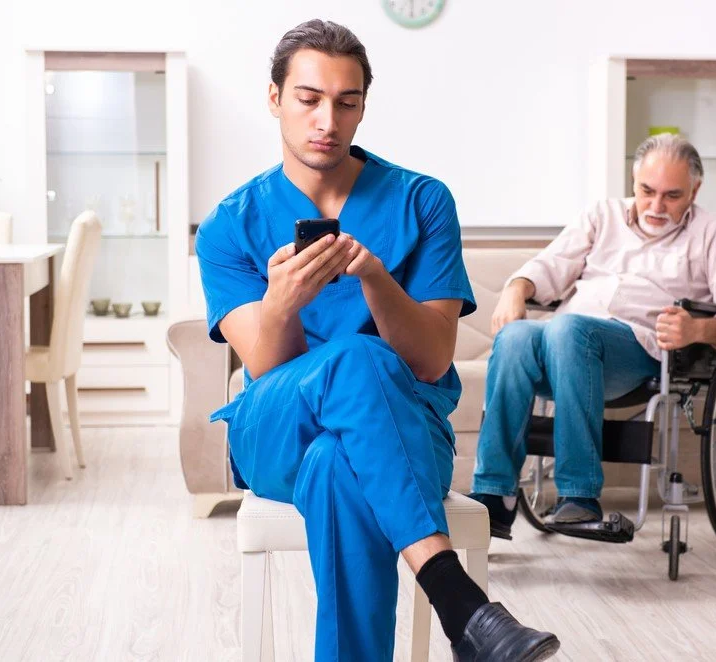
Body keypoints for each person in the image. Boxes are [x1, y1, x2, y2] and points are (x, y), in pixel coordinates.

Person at [195, 19, 559, 662]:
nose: (327, 121)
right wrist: (282, 301)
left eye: (347, 102)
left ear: (364, 105)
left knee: (337, 464)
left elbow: (432, 360)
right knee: (356, 359)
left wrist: (373, 277)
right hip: (274, 429)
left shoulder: (422, 201)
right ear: (275, 98)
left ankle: (460, 618)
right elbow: (268, 366)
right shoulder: (228, 226)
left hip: (403, 429)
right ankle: (458, 601)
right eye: (308, 99)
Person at [468, 133, 716, 538]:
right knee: (516, 336)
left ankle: (578, 495)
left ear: (695, 190)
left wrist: (698, 328)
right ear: (633, 181)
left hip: (637, 352)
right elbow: (550, 265)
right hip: (564, 346)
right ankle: (495, 495)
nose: (656, 206)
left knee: (569, 328)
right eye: (647, 191)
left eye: (672, 196)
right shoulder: (601, 216)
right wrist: (515, 288)